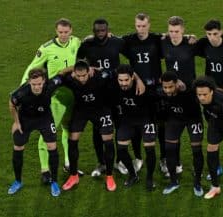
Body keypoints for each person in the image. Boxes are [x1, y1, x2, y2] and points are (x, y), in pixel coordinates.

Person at [20, 18, 82, 183]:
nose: (63, 35)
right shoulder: (46, 48)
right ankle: (45, 169)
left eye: (66, 32)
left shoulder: (76, 42)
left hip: (73, 96)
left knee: (69, 130)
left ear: (71, 31)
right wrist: (22, 90)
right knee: (48, 133)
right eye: (60, 32)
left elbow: (87, 48)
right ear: (56, 31)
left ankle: (69, 164)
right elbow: (32, 67)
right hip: (55, 98)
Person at [77, 18, 128, 176]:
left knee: (120, 126)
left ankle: (120, 161)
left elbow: (133, 52)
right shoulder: (86, 44)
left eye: (103, 30)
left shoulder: (116, 42)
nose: (100, 33)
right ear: (93, 30)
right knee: (98, 129)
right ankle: (102, 163)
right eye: (97, 31)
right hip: (97, 92)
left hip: (116, 91)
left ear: (108, 29)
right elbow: (78, 62)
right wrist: (88, 67)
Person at [60, 61, 116, 192]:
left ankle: (109, 176)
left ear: (89, 72)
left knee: (107, 141)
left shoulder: (99, 76)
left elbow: (117, 72)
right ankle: (73, 176)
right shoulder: (70, 79)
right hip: (81, 111)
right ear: (74, 73)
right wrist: (70, 69)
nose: (81, 79)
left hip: (101, 109)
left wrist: (95, 68)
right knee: (72, 140)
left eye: (84, 75)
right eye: (78, 76)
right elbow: (59, 74)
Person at [196, 19, 223, 182]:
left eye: (215, 34)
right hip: (210, 98)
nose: (212, 37)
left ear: (221, 32)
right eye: (208, 34)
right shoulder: (204, 44)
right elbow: (186, 45)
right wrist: (188, 37)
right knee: (214, 130)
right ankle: (217, 166)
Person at [8, 69, 61, 197]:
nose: (37, 87)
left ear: (44, 81)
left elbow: (62, 74)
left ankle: (54, 182)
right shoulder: (21, 92)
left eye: (39, 84)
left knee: (52, 146)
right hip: (26, 119)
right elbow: (11, 104)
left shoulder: (51, 85)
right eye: (33, 84)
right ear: (29, 81)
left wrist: (75, 71)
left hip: (44, 118)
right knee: (18, 147)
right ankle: (18, 181)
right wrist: (16, 122)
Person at [122, 13, 163, 173]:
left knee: (160, 124)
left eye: (144, 26)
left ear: (149, 25)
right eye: (138, 26)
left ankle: (164, 159)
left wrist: (189, 36)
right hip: (137, 90)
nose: (141, 29)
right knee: (137, 124)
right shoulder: (129, 40)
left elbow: (173, 38)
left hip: (155, 90)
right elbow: (113, 40)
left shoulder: (157, 40)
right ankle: (138, 157)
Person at [160, 16, 198, 175]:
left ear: (183, 30)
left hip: (190, 95)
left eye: (176, 31)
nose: (174, 34)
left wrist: (192, 37)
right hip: (171, 94)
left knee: (194, 136)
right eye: (171, 31)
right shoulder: (164, 42)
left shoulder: (191, 44)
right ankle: (175, 164)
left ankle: (198, 167)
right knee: (172, 132)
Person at [112, 64, 157, 191]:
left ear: (132, 77)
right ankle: (133, 175)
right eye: (120, 80)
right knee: (121, 149)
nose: (123, 83)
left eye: (126, 80)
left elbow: (155, 102)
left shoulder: (144, 87)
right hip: (127, 120)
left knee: (149, 149)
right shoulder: (114, 86)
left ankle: (149, 178)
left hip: (145, 119)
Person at [160, 72, 204, 196]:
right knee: (169, 149)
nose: (167, 90)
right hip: (175, 119)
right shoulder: (161, 93)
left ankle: (197, 183)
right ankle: (174, 182)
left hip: (193, 119)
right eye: (165, 87)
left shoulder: (189, 92)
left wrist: (185, 91)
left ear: (177, 85)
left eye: (170, 87)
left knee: (196, 150)